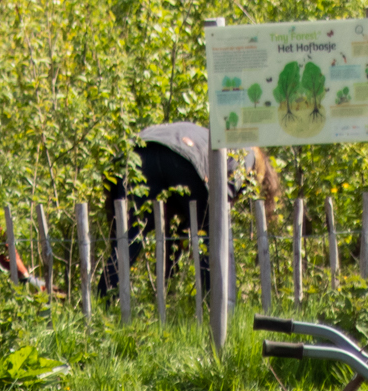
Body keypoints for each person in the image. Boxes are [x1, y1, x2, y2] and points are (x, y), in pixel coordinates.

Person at [98, 122, 281, 294]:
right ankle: (211, 303)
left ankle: (103, 303)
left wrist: (185, 231)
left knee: (128, 239)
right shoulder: (248, 154)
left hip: (137, 152)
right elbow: (220, 200)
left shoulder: (214, 138)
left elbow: (177, 228)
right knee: (211, 235)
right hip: (184, 156)